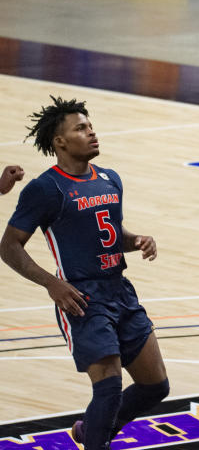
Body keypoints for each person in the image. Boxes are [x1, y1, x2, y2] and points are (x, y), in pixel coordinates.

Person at [0, 96, 169, 450]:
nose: (92, 133)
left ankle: (91, 430)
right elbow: (9, 246)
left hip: (120, 290)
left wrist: (136, 240)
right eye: (81, 128)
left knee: (156, 385)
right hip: (81, 298)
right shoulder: (45, 189)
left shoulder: (110, 178)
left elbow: (107, 233)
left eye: (90, 126)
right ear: (60, 142)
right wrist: (52, 284)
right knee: (108, 388)